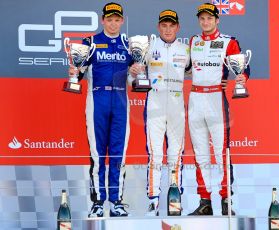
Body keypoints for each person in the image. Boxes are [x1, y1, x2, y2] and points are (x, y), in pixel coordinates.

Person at [68, 2, 135, 217]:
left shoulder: (129, 45)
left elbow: (135, 81)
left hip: (121, 102)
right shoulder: (91, 42)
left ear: (122, 21)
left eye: (117, 20)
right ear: (103, 20)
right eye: (109, 19)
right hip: (97, 100)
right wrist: (74, 71)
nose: (113, 23)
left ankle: (116, 201)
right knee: (97, 155)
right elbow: (78, 74)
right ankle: (98, 202)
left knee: (118, 154)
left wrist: (136, 71)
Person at [187, 3, 250, 216]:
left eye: (210, 18)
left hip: (216, 97)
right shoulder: (193, 41)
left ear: (217, 20)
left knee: (221, 152)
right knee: (200, 153)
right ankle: (204, 200)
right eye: (202, 18)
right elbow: (184, 67)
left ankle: (225, 200)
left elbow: (243, 66)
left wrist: (242, 77)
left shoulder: (229, 42)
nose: (206, 22)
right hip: (195, 98)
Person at [129, 9, 190, 216]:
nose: (167, 29)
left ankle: (175, 198)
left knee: (176, 154)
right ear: (158, 27)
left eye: (171, 25)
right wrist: (133, 75)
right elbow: (133, 76)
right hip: (154, 103)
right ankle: (153, 200)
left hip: (176, 105)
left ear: (177, 27)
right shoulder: (147, 46)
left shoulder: (186, 49)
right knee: (155, 154)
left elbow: (200, 73)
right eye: (164, 25)